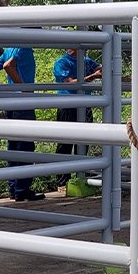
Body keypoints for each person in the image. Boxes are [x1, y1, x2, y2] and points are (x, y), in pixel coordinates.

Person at [0, 46, 45, 202]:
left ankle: (13, 188)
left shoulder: (9, 50)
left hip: (10, 104)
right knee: (25, 146)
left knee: (13, 146)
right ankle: (22, 189)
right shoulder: (24, 50)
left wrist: (4, 91)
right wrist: (23, 89)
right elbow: (8, 66)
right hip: (23, 105)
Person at [52, 48, 103, 187]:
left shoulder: (87, 61)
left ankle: (80, 175)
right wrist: (93, 76)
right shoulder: (61, 62)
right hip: (67, 105)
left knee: (84, 140)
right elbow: (69, 82)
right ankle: (62, 181)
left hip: (85, 105)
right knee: (65, 142)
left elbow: (100, 68)